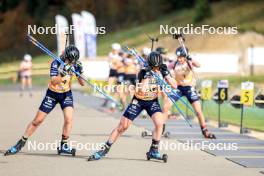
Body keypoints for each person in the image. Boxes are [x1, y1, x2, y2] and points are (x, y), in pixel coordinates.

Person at [88, 51, 177, 161]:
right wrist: (148, 76)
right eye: (154, 67)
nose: (156, 69)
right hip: (138, 101)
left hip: (152, 101)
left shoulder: (162, 70)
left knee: (160, 123)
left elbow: (174, 85)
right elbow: (143, 90)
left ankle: (153, 150)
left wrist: (167, 76)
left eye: (157, 67)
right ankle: (105, 148)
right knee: (123, 126)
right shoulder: (143, 72)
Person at [5, 45, 85, 156]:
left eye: (73, 61)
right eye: (70, 60)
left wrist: (80, 72)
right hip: (52, 94)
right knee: (38, 120)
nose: (71, 63)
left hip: (66, 94)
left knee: (69, 119)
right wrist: (62, 73)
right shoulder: (56, 63)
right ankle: (21, 142)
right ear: (66, 56)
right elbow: (53, 81)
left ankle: (64, 145)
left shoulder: (74, 64)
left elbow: (82, 83)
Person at [163, 46, 216, 139]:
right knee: (166, 107)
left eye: (181, 57)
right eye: (178, 57)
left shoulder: (189, 62)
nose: (179, 59)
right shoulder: (174, 64)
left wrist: (190, 59)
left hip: (189, 88)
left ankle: (205, 131)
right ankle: (161, 128)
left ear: (185, 56)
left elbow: (198, 65)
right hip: (178, 88)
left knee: (198, 111)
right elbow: (165, 68)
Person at [102, 43, 122, 108]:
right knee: (115, 86)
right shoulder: (118, 55)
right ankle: (112, 100)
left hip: (113, 71)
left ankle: (108, 99)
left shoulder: (111, 54)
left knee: (111, 86)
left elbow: (110, 63)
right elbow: (117, 64)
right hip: (116, 71)